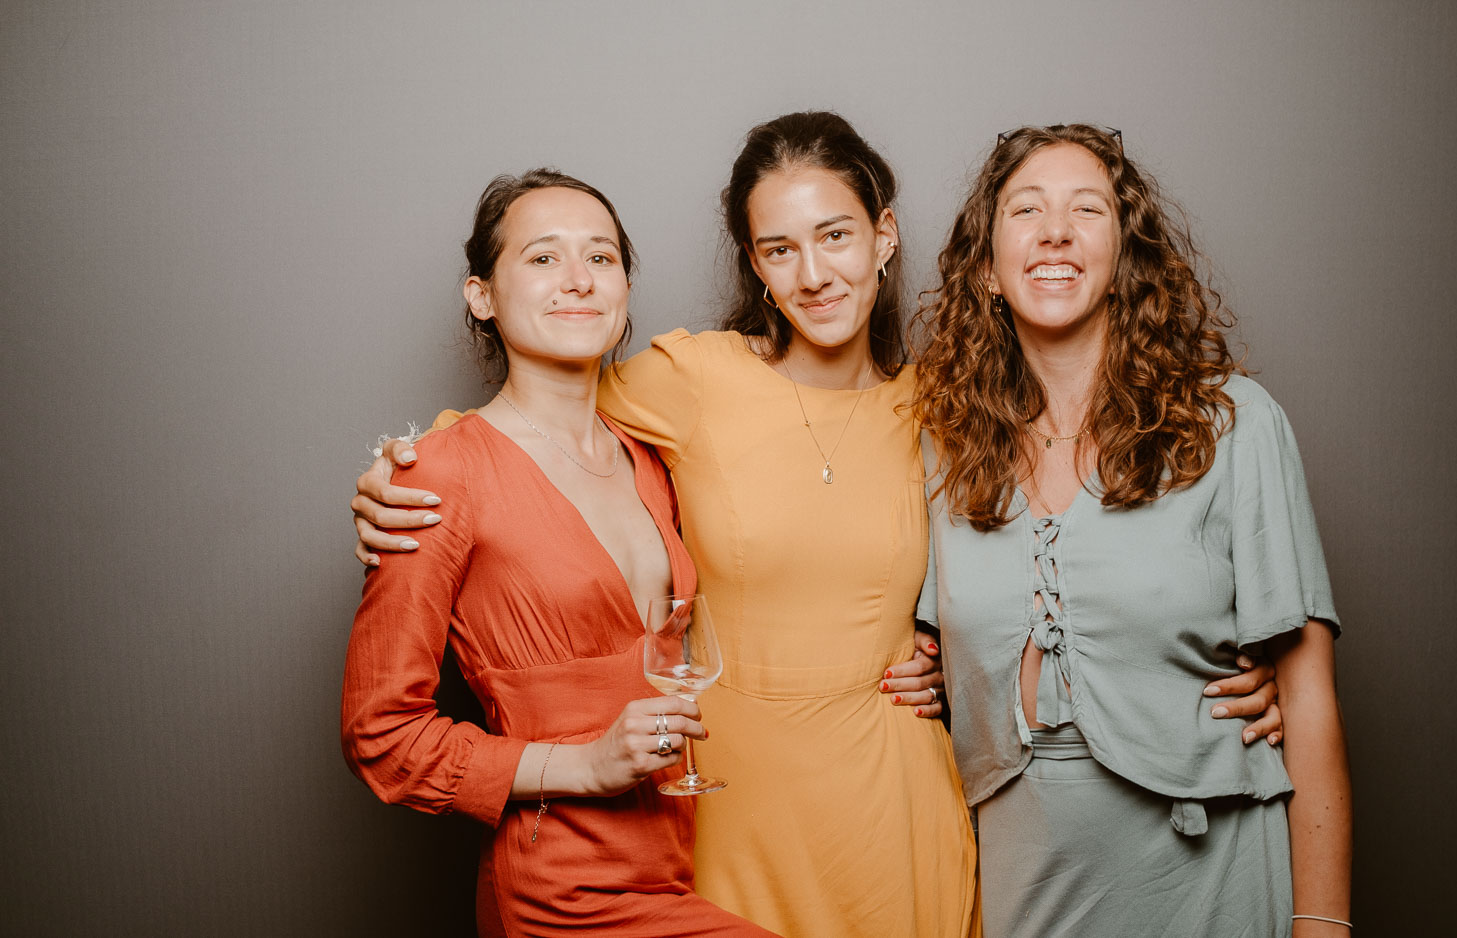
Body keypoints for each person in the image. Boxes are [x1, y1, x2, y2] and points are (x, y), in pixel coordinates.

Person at [350, 113, 1284, 937]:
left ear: (883, 236)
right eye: (778, 248)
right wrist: (407, 469)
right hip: (731, 795)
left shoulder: (947, 407)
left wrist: (1213, 680)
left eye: (836, 235)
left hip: (895, 789)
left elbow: (1049, 571)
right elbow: (543, 417)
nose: (814, 273)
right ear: (754, 266)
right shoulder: (697, 378)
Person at [911, 124, 1352, 936]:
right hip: (1025, 880)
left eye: (1088, 210)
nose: (1055, 232)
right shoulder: (945, 446)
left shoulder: (1231, 424)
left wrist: (1323, 925)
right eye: (1025, 210)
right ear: (986, 270)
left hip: (1210, 874)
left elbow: (1310, 699)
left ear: (1125, 261)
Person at [341, 169, 773, 937]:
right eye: (543, 259)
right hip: (560, 887)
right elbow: (381, 735)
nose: (578, 280)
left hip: (674, 858)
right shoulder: (437, 472)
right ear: (482, 295)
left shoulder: (649, 459)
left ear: (625, 288)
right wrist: (585, 766)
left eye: (601, 259)